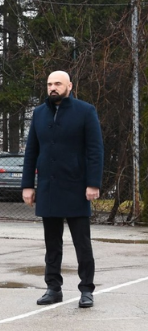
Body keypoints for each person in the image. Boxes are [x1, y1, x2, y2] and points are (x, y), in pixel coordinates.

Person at [22, 70, 103, 308]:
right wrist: (28, 185)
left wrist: (93, 183)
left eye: (57, 83)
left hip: (77, 187)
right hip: (48, 187)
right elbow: (31, 152)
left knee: (82, 243)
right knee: (52, 244)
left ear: (70, 85)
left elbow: (95, 150)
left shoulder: (85, 111)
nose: (52, 88)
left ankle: (86, 290)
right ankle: (53, 288)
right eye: (49, 84)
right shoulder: (38, 113)